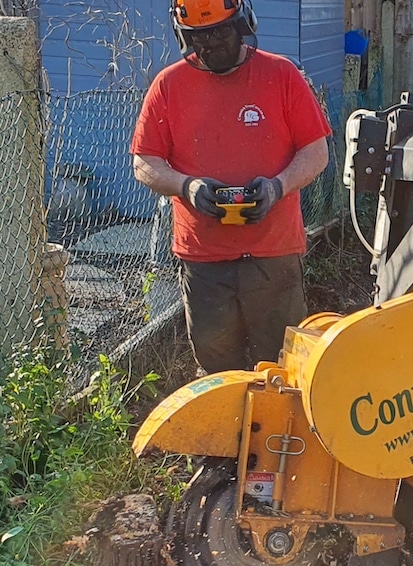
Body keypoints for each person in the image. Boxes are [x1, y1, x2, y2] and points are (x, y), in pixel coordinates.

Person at [131, 0, 331, 374]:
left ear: (243, 24)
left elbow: (316, 152)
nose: (211, 44)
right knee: (217, 364)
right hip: (204, 258)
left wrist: (277, 187)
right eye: (199, 37)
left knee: (282, 364)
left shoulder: (281, 75)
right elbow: (144, 162)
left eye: (220, 32)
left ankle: (282, 433)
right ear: (183, 36)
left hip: (273, 253)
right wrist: (187, 187)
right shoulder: (169, 85)